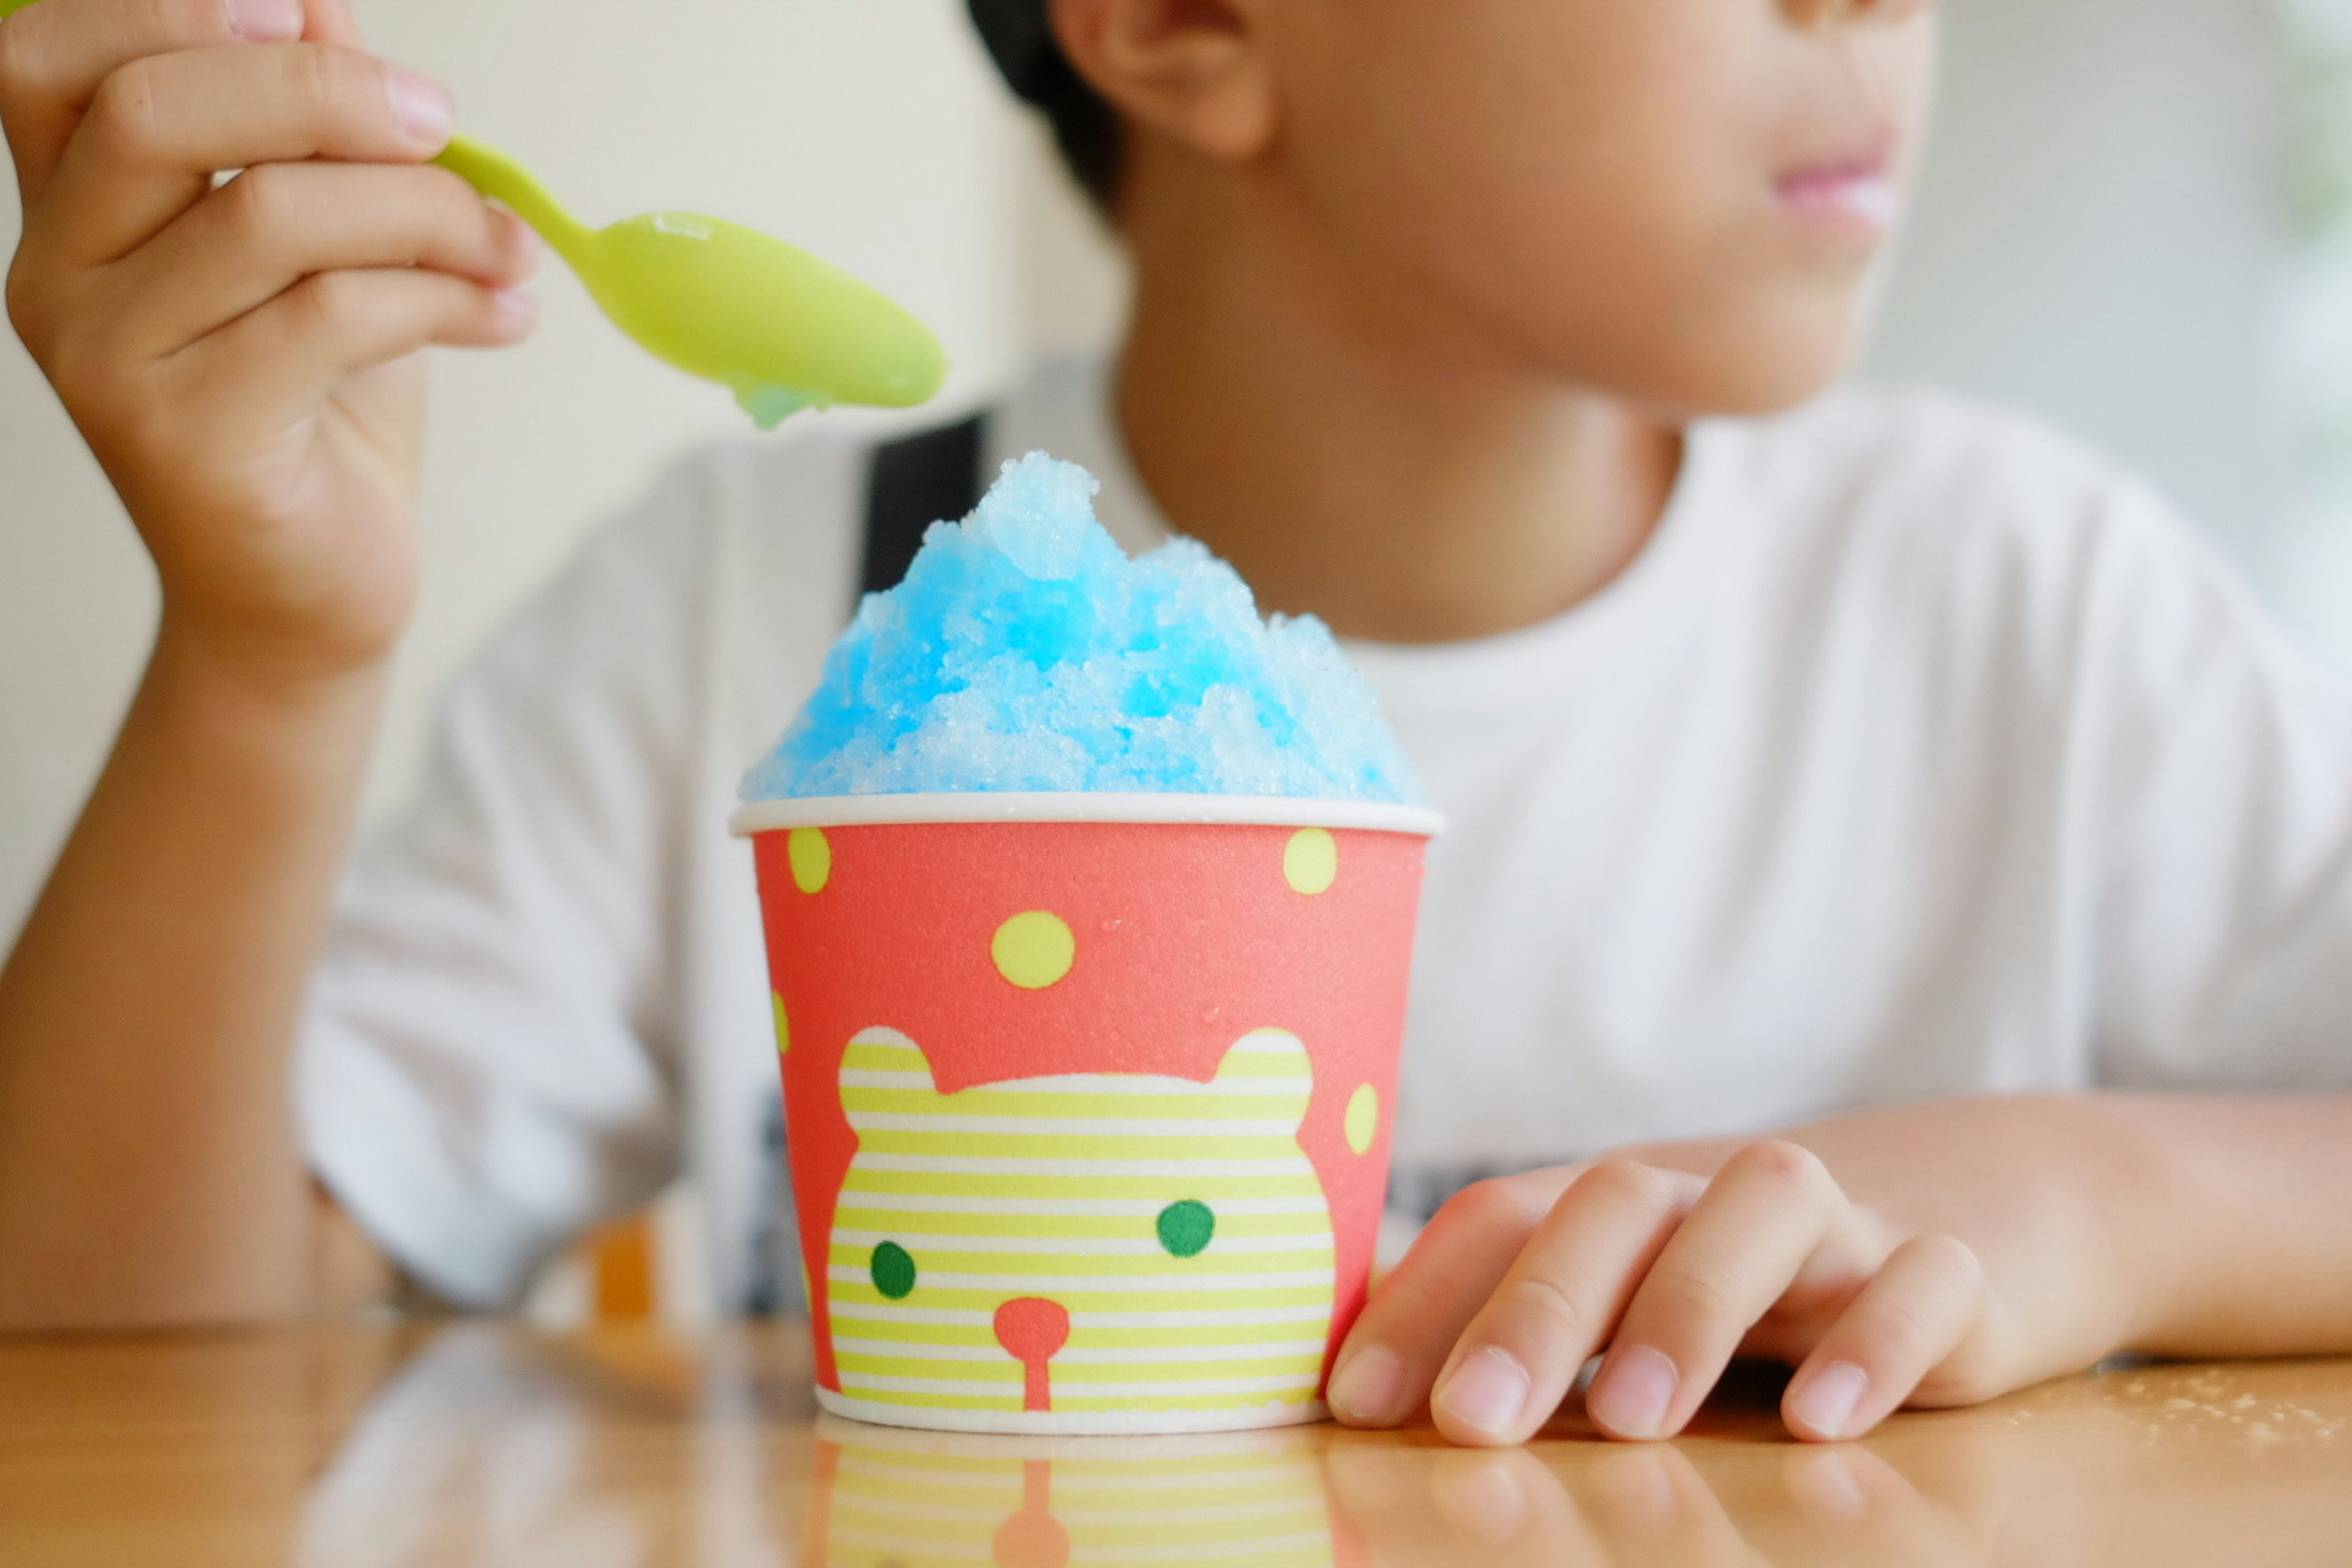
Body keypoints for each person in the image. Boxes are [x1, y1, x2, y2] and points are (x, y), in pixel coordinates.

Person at [1, 0, 2348, 1450]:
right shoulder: (751, 626)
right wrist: (268, 654)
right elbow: (109, 1364)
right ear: (1177, 16)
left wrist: (2100, 1200)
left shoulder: (2030, 614)